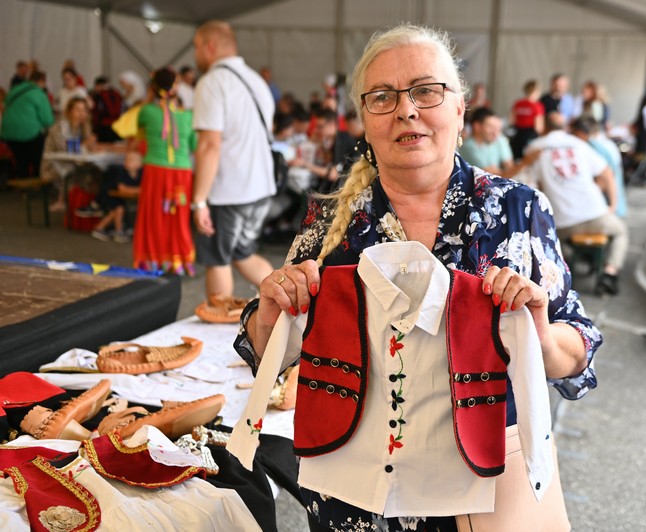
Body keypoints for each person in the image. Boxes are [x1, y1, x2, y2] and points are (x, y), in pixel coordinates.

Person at [234, 24, 600, 531]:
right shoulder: (330, 221)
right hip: (351, 489)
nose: (407, 110)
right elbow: (272, 347)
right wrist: (271, 315)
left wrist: (538, 338)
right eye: (383, 97)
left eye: (426, 91)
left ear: (460, 109)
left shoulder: (516, 208)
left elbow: (576, 347)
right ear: (364, 120)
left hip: (478, 487)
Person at [192, 20, 276, 302]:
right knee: (243, 253)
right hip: (260, 187)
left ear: (209, 46)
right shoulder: (256, 81)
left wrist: (200, 200)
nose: (196, 55)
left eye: (196, 47)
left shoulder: (212, 82)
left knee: (218, 258)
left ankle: (218, 326)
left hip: (228, 190)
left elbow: (209, 146)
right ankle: (289, 302)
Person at [519, 112, 628, 295]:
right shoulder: (579, 144)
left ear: (544, 128)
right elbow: (608, 173)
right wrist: (612, 206)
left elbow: (530, 186)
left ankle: (570, 265)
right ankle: (610, 272)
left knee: (550, 241)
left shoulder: (535, 148)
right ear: (564, 128)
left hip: (563, 222)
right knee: (620, 232)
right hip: (596, 214)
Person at [131, 67, 197, 274]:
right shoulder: (188, 116)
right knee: (177, 216)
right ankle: (178, 260)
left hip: (155, 171)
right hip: (181, 173)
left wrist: (148, 98)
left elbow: (128, 129)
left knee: (153, 215)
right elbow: (194, 146)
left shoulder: (146, 112)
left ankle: (153, 259)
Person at [40, 96, 97, 212]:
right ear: (70, 111)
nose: (81, 113)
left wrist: (92, 145)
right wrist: (85, 144)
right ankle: (65, 200)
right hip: (52, 165)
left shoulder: (84, 127)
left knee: (94, 168)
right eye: (78, 110)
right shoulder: (59, 127)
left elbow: (86, 149)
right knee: (75, 169)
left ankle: (89, 201)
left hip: (71, 162)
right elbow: (64, 149)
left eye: (84, 110)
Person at [0, 70, 54, 177]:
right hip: (29, 131)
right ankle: (37, 184)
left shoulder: (14, 89)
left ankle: (22, 186)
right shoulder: (39, 93)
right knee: (38, 161)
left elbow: (5, 106)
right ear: (42, 82)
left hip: (8, 131)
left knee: (21, 161)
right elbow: (48, 120)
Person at [571, 115, 626, 218]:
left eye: (572, 133)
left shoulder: (592, 147)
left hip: (604, 208)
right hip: (614, 205)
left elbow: (603, 180)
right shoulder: (606, 143)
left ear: (580, 134)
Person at [90, 150, 142, 243]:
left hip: (122, 197)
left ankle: (102, 228)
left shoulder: (140, 174)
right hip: (109, 195)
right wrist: (138, 190)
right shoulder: (121, 172)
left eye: (131, 160)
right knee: (118, 209)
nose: (127, 161)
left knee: (117, 211)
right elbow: (123, 189)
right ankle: (117, 231)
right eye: (126, 159)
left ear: (139, 164)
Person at [458, 106, 515, 177]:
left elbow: (509, 166)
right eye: (490, 127)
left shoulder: (494, 141)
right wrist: (526, 161)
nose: (495, 133)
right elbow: (488, 175)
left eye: (497, 128)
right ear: (477, 126)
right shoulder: (468, 146)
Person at [509, 79, 544, 160]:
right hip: (530, 137)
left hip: (517, 135)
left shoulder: (517, 103)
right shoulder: (537, 106)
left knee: (516, 159)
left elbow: (512, 121)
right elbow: (538, 127)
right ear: (536, 91)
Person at [90, 76, 124, 143]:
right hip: (118, 126)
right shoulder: (117, 94)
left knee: (104, 149)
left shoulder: (99, 96)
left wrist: (95, 129)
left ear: (98, 85)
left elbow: (97, 114)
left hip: (104, 127)